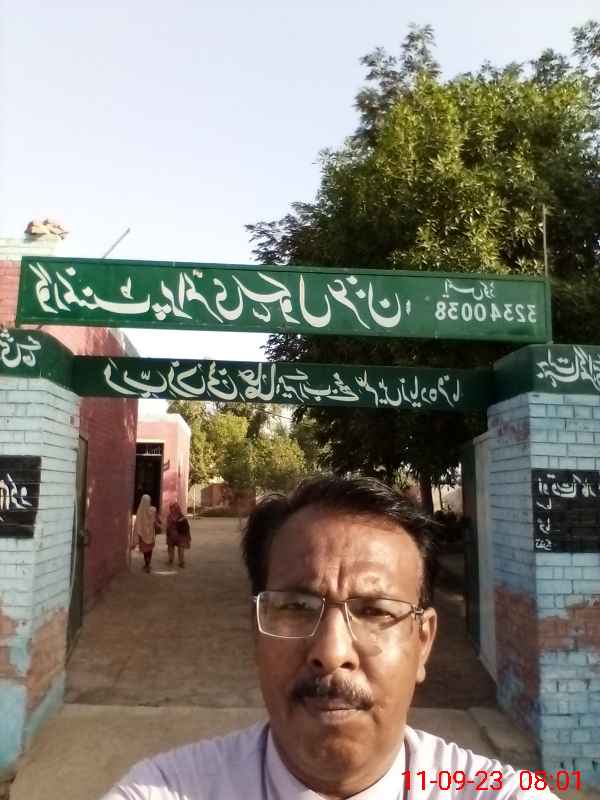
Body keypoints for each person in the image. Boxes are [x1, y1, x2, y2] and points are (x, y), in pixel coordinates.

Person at [103, 476, 558, 800]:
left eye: (374, 610)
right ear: (256, 630)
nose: (331, 652)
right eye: (296, 607)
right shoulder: (167, 789)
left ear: (423, 642)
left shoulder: (497, 792)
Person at [133, 494, 160, 573]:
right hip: (151, 534)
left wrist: (138, 532)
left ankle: (146, 564)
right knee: (150, 549)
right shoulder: (153, 510)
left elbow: (138, 522)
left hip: (143, 534)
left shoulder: (140, 511)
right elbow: (156, 520)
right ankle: (148, 564)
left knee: (145, 550)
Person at [166, 502, 191, 567]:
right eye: (170, 508)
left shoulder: (180, 517)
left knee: (180, 549)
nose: (171, 509)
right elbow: (168, 526)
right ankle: (173, 560)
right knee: (172, 548)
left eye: (172, 507)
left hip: (179, 535)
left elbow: (186, 527)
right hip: (173, 535)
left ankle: (180, 562)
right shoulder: (171, 516)